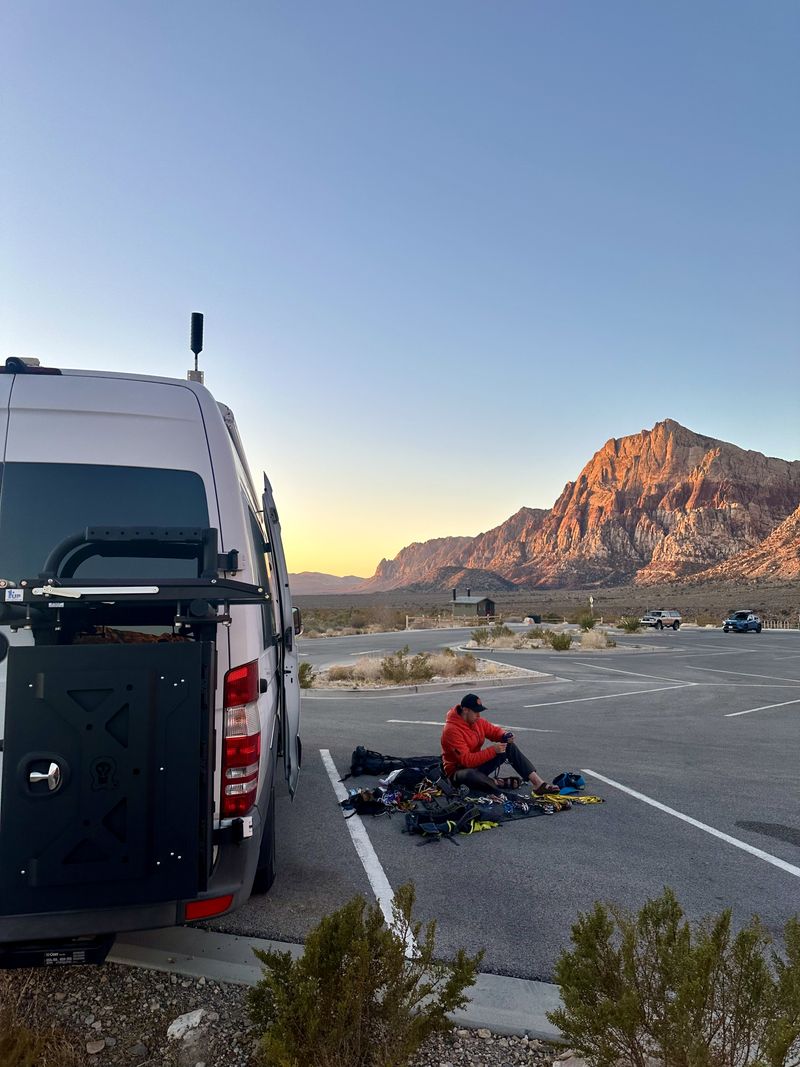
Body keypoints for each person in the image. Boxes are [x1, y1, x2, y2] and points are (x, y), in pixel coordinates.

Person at [440, 693, 557, 795]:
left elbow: (493, 731)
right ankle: (497, 783)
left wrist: (504, 735)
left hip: (476, 767)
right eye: (476, 712)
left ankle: (538, 784)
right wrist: (492, 751)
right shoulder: (451, 730)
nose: (479, 716)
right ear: (465, 710)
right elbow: (466, 761)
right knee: (470, 774)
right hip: (458, 773)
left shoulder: (477, 721)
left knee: (508, 747)